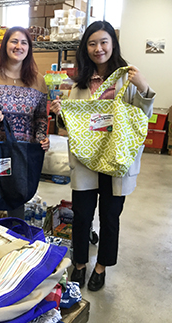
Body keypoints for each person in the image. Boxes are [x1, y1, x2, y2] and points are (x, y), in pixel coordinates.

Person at [50, 21, 155, 291]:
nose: (99, 48)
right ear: (86, 48)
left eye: (104, 42)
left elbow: (142, 118)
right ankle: (81, 263)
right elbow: (69, 126)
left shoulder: (127, 78)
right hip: (86, 161)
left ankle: (101, 266)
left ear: (113, 44)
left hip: (116, 160)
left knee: (110, 216)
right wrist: (61, 112)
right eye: (92, 43)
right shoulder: (79, 85)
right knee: (82, 215)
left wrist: (144, 89)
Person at [0, 26, 49, 221]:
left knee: (18, 197)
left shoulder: (38, 81)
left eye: (24, 42)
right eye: (14, 41)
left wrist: (41, 138)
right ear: (5, 46)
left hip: (23, 151)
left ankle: (16, 244)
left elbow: (40, 116)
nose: (18, 46)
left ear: (29, 48)